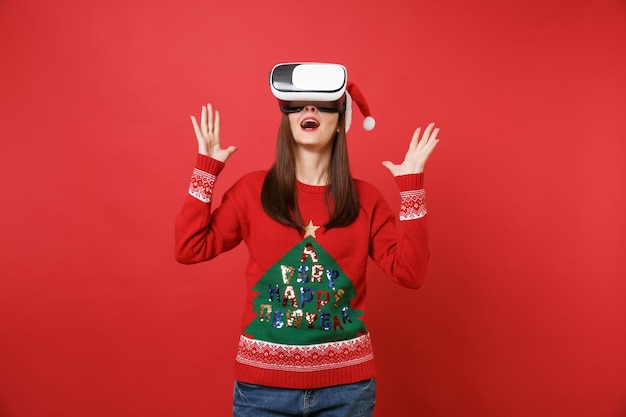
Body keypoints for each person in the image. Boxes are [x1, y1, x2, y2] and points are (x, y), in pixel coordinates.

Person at [175, 63, 439, 417]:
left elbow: (410, 273)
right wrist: (205, 170)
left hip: (346, 393)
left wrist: (412, 190)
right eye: (296, 104)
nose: (309, 110)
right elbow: (189, 248)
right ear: (285, 116)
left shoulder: (367, 200)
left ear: (341, 118)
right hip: (261, 391)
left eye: (322, 104)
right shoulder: (252, 192)